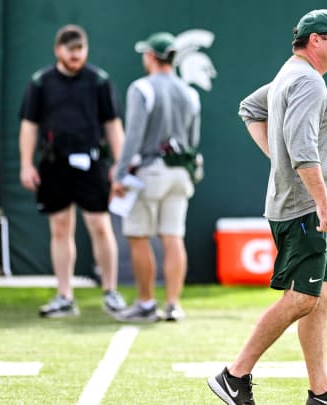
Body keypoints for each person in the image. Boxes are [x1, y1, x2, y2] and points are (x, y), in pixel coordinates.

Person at [207, 9, 327, 405]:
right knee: (302, 297)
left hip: (305, 202)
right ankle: (234, 375)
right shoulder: (306, 81)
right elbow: (301, 151)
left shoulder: (290, 74)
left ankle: (321, 394)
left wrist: (277, 159)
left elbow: (250, 107)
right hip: (304, 208)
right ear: (316, 40)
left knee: (323, 293)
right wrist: (321, 204)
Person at [18, 24, 126, 318]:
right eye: (70, 49)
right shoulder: (41, 82)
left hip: (91, 163)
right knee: (60, 228)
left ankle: (110, 291)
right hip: (54, 164)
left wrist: (120, 163)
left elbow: (113, 124)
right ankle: (64, 295)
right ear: (58, 51)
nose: (76, 55)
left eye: (80, 49)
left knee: (101, 226)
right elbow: (29, 125)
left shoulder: (99, 80)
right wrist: (26, 163)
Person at [111, 32, 201, 322]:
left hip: (150, 172)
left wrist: (121, 173)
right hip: (180, 173)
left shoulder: (142, 88)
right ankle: (173, 304)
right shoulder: (190, 92)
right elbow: (193, 139)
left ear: (151, 56)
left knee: (138, 236)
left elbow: (133, 137)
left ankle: (146, 303)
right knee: (173, 237)